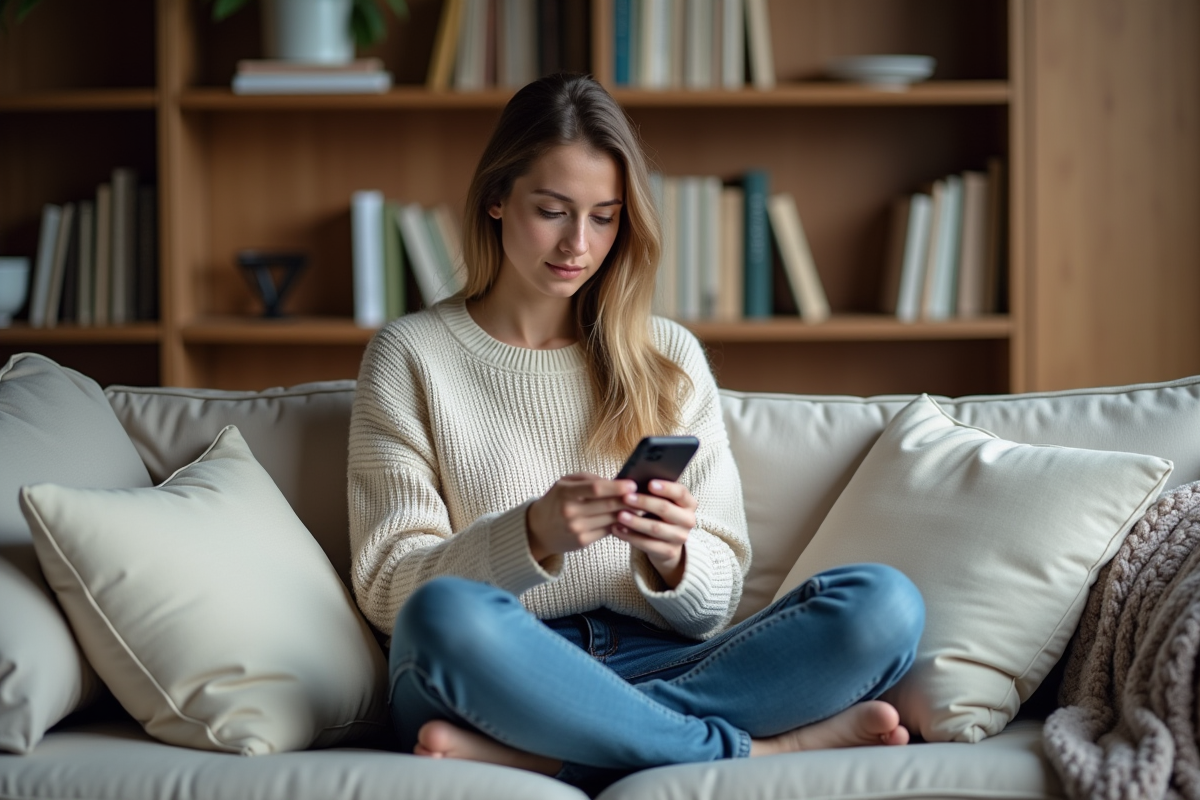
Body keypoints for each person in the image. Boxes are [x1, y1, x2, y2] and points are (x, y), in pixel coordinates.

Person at [347, 73, 924, 792]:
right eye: (552, 211)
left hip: (663, 661)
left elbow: (718, 599)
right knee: (442, 615)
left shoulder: (666, 354)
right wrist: (530, 536)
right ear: (496, 198)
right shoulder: (411, 354)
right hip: (506, 666)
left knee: (884, 605)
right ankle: (749, 752)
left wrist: (675, 555)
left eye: (604, 218)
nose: (577, 245)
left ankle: (555, 753)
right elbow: (390, 591)